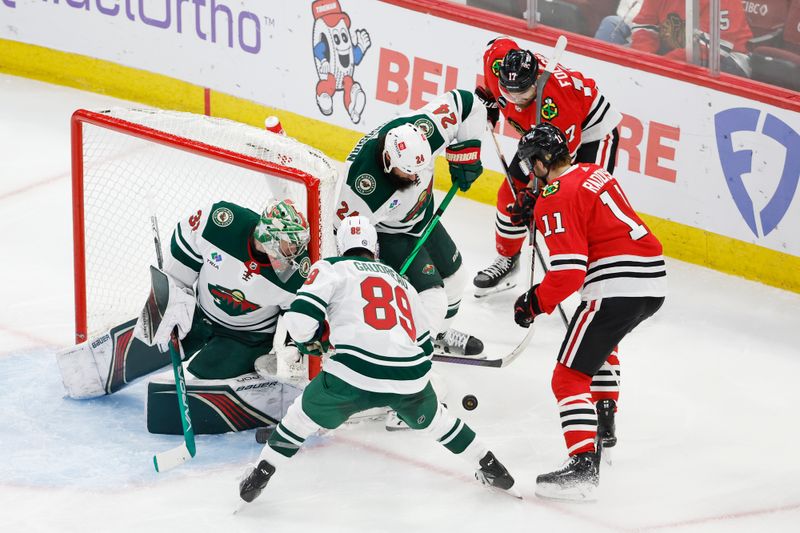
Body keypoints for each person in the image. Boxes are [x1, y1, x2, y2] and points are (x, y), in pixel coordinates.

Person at [238, 216, 517, 503]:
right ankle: (489, 464)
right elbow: (424, 343)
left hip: (350, 375)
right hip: (410, 376)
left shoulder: (331, 268)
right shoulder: (402, 282)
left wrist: (310, 343)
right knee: (439, 422)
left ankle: (262, 472)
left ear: (341, 244)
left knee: (301, 417)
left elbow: (299, 323)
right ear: (375, 247)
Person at [56, 199, 313, 434]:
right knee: (154, 334)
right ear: (266, 235)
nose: (295, 250)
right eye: (288, 242)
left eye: (297, 243)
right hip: (198, 314)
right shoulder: (221, 223)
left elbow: (299, 316)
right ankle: (90, 371)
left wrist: (291, 349)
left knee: (207, 374)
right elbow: (184, 247)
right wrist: (172, 296)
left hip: (246, 339)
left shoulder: (298, 272)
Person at [509, 123, 666, 501]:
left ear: (545, 160)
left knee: (568, 378)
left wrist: (533, 303)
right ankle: (604, 422)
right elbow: (586, 213)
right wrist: (544, 206)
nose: (531, 172)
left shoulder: (554, 197)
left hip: (616, 285)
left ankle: (582, 467)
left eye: (533, 163)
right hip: (652, 281)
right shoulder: (596, 173)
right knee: (601, 342)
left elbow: (567, 273)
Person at [334, 89, 487, 357]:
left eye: (421, 168)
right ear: (387, 160)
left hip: (423, 219)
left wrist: (467, 154)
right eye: (408, 171)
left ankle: (436, 336)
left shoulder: (427, 130)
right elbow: (343, 242)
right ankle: (408, 357)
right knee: (433, 298)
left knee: (456, 279)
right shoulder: (362, 188)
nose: (416, 177)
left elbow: (469, 104)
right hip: (388, 235)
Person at [473, 36, 622, 298]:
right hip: (540, 134)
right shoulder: (497, 63)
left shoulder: (555, 105)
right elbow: (496, 42)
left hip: (590, 133)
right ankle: (507, 260)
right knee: (510, 194)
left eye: (523, 93)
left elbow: (559, 167)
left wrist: (537, 196)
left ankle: (595, 277)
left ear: (535, 82)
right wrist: (487, 97)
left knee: (583, 204)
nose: (516, 100)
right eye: (509, 92)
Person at [597, 0, 752, 76]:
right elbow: (646, 25)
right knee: (612, 28)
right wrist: (644, 59)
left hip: (724, 60)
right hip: (674, 53)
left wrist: (661, 65)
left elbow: (713, 48)